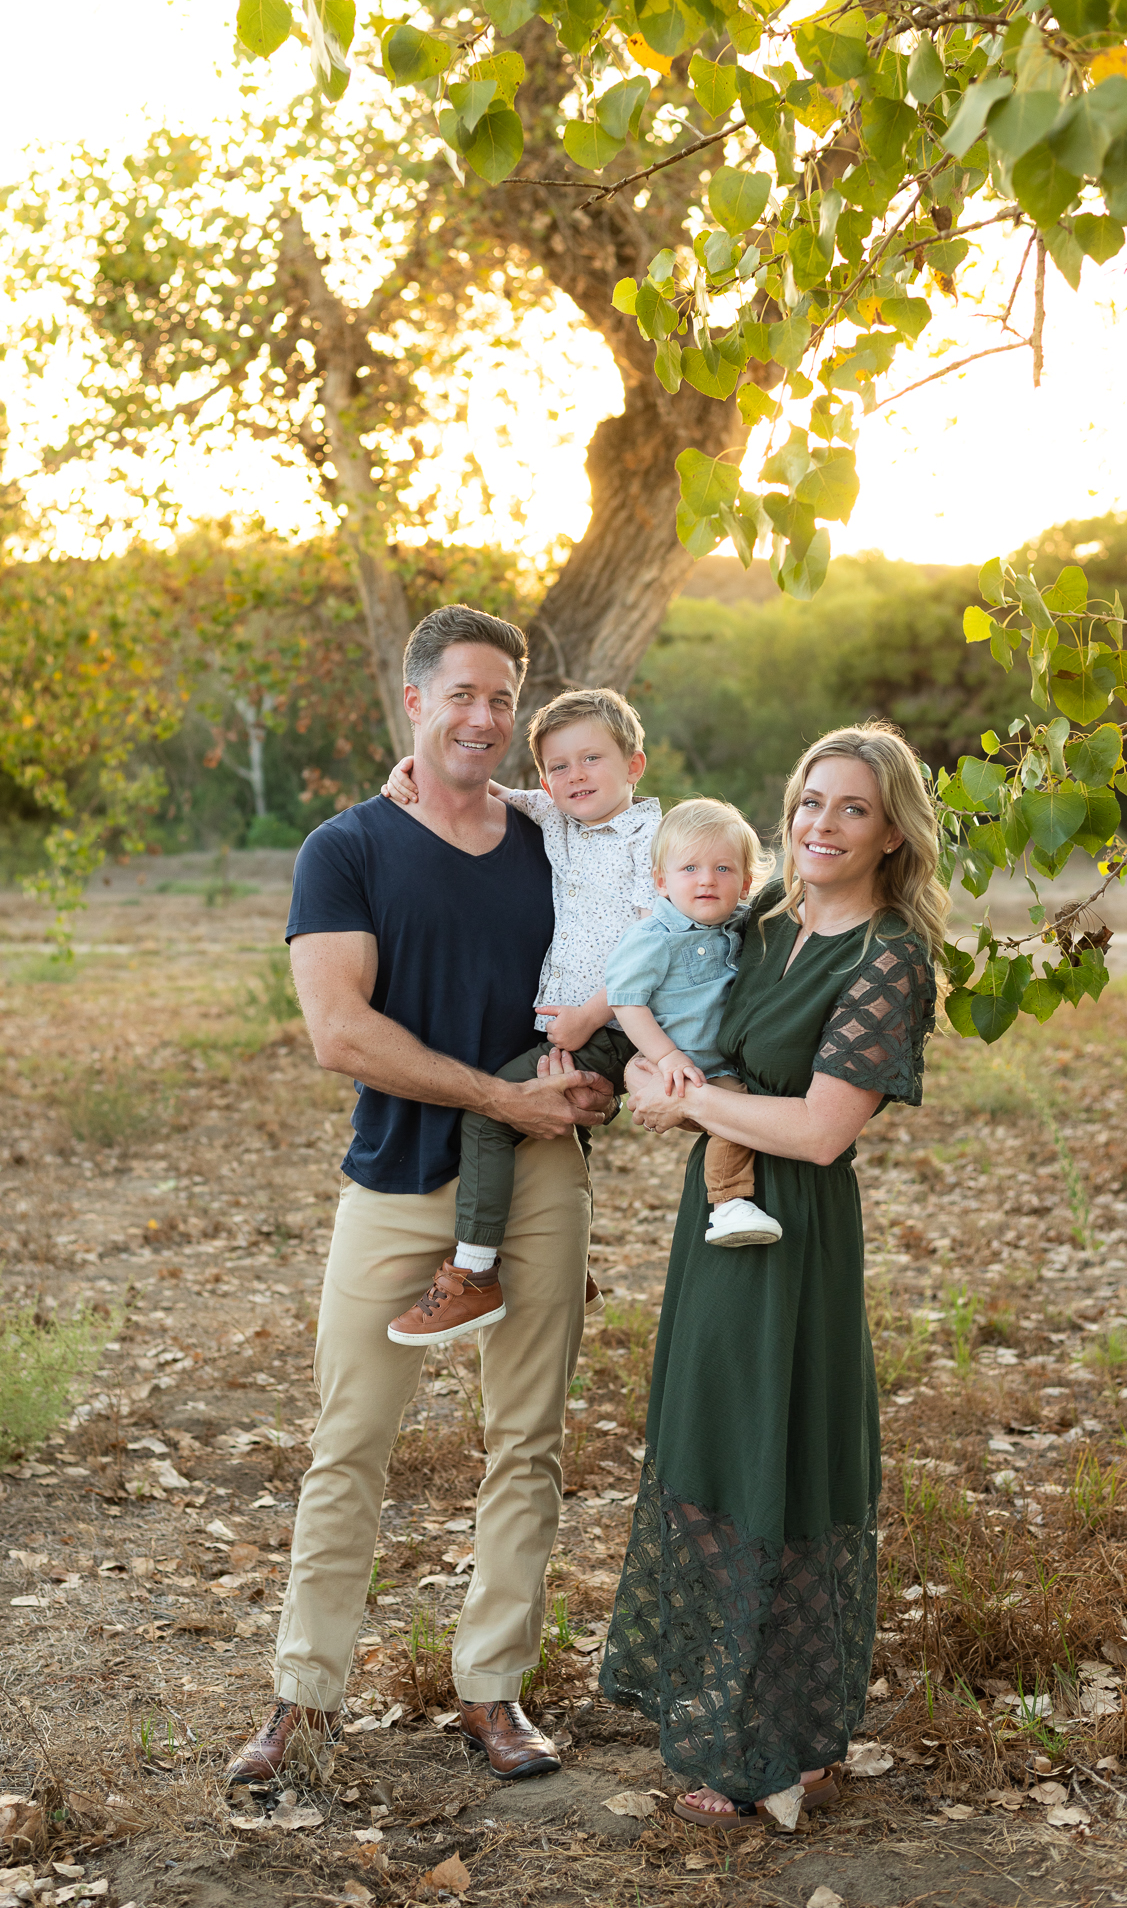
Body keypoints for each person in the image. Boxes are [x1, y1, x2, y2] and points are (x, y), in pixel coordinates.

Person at [225, 604, 613, 1790]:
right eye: (463, 695)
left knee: (527, 1440)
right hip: (398, 1175)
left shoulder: (557, 836)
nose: (486, 718)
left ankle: (492, 1688)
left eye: (504, 698)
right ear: (415, 701)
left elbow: (655, 918)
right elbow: (339, 1030)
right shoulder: (345, 847)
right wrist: (495, 1103)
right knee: (349, 1440)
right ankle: (306, 1698)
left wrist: (593, 1081)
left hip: (542, 1172)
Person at [592, 722, 947, 1830]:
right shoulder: (759, 920)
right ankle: (723, 1716)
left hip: (795, 1229)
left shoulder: (889, 956)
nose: (821, 825)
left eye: (850, 807)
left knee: (781, 1450)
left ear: (893, 830)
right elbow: (663, 994)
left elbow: (822, 1129)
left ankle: (792, 1739)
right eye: (808, 802)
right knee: (707, 1440)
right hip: (716, 1221)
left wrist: (688, 1098)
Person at [381, 686, 663, 1347]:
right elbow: (482, 790)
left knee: (492, 1111)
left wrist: (589, 1017)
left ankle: (474, 1272)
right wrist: (408, 769)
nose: (574, 777)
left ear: (634, 765)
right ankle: (568, 1260)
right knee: (560, 1133)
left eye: (591, 759)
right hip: (576, 1020)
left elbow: (660, 936)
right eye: (558, 767)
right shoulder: (557, 815)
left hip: (625, 1022)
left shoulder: (651, 836)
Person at [606, 797, 781, 1249]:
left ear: (745, 883)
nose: (706, 879)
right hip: (688, 1069)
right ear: (662, 882)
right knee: (735, 1114)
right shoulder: (654, 938)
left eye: (723, 869)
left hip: (727, 1062)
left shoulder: (746, 926)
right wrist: (665, 1057)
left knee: (743, 1107)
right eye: (690, 869)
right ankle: (728, 1204)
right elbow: (626, 1001)